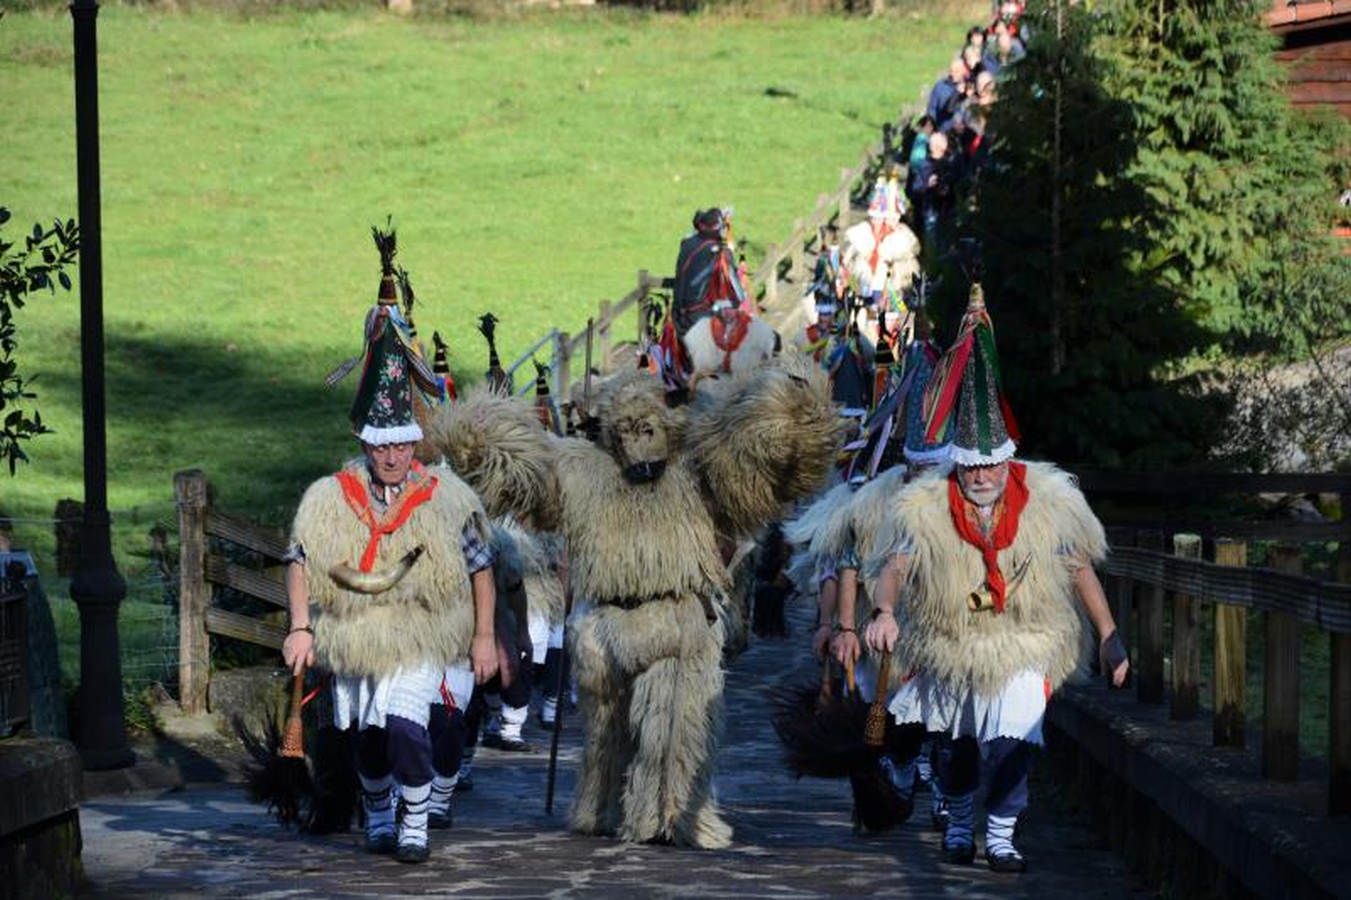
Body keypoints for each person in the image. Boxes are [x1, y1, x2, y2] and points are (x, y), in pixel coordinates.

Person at [861, 285, 1129, 873]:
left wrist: (1108, 633)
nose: (981, 475)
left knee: (1013, 744)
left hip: (1025, 641)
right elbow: (896, 567)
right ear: (958, 462)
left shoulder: (1049, 502)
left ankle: (1003, 834)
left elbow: (1079, 564)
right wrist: (883, 611)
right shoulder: (926, 507)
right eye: (972, 465)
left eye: (991, 464)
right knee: (956, 747)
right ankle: (959, 822)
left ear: (1008, 459)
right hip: (953, 644)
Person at [282, 227, 499, 864]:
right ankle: (378, 809)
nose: (393, 456)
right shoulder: (332, 494)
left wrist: (484, 636)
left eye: (403, 444)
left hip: (419, 633)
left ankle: (413, 818)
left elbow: (481, 566)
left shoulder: (447, 496)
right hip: (353, 635)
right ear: (368, 443)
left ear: (414, 443)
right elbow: (298, 559)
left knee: (407, 727)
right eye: (382, 445)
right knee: (367, 739)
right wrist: (301, 626)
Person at [672, 208, 747, 336]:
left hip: (678, 317)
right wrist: (729, 254)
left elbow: (692, 234)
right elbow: (739, 296)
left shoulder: (686, 244)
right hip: (703, 318)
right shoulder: (721, 254)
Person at [926, 57, 970, 132]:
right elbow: (932, 109)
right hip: (943, 130)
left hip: (964, 132)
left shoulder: (969, 87)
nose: (953, 74)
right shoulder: (940, 86)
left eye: (957, 71)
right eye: (951, 71)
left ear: (964, 71)